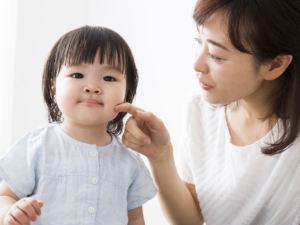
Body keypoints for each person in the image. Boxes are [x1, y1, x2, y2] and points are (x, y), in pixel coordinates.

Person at [115, 0, 300, 224]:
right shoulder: (200, 109)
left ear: (275, 65)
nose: (197, 64)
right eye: (198, 41)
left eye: (215, 55)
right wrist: (160, 157)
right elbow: (190, 220)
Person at [0, 25, 157, 225]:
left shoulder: (130, 163)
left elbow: (135, 220)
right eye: (77, 75)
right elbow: (4, 197)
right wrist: (10, 213)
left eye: (109, 78)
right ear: (54, 88)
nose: (92, 87)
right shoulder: (36, 146)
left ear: (126, 94)